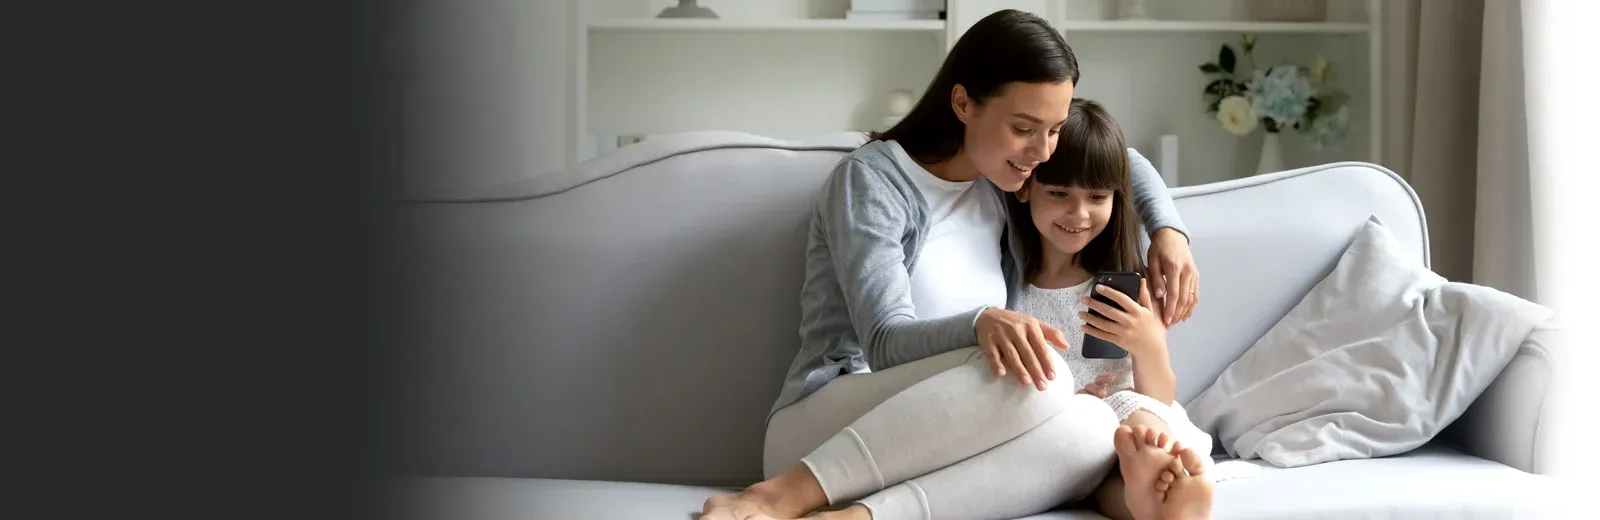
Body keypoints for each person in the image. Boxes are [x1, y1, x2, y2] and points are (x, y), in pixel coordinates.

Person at [699, 9, 1203, 520]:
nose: (1042, 151)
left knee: (1094, 424)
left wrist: (1168, 231)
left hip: (949, 436)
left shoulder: (1004, 178)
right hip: (825, 429)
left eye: (1053, 129)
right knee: (1038, 373)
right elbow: (884, 340)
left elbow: (1125, 160)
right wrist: (982, 323)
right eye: (1025, 128)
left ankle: (863, 517)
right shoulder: (873, 181)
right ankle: (779, 495)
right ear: (963, 103)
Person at [1010, 98, 1215, 520]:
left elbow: (1160, 395)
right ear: (1026, 186)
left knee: (1129, 420)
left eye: (1097, 196)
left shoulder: (1126, 284)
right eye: (1059, 193)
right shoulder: (1009, 288)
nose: (1078, 214)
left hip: (1123, 435)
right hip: (1061, 434)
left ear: (1115, 198)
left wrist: (1149, 345)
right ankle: (1156, 482)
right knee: (1102, 436)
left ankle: (1158, 496)